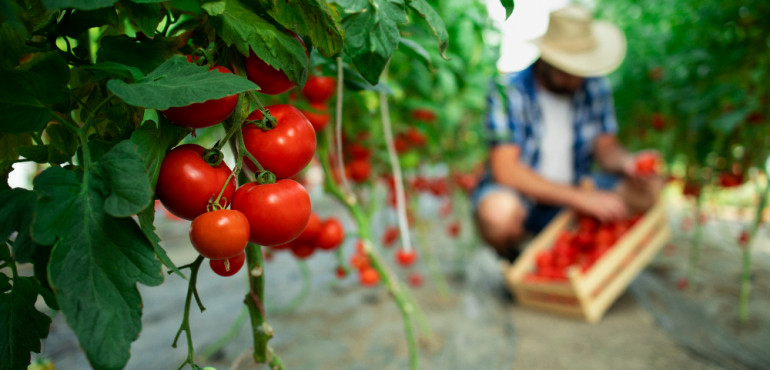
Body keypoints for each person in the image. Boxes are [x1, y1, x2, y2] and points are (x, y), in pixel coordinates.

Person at [473, 4, 662, 262]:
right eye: (567, 70)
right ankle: (516, 256)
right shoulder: (508, 91)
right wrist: (582, 198)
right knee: (497, 214)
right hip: (526, 199)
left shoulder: (594, 87)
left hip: (575, 193)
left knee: (650, 188)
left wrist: (627, 162)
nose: (576, 79)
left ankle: (583, 250)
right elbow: (506, 170)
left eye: (580, 70)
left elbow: (606, 148)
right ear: (546, 59)